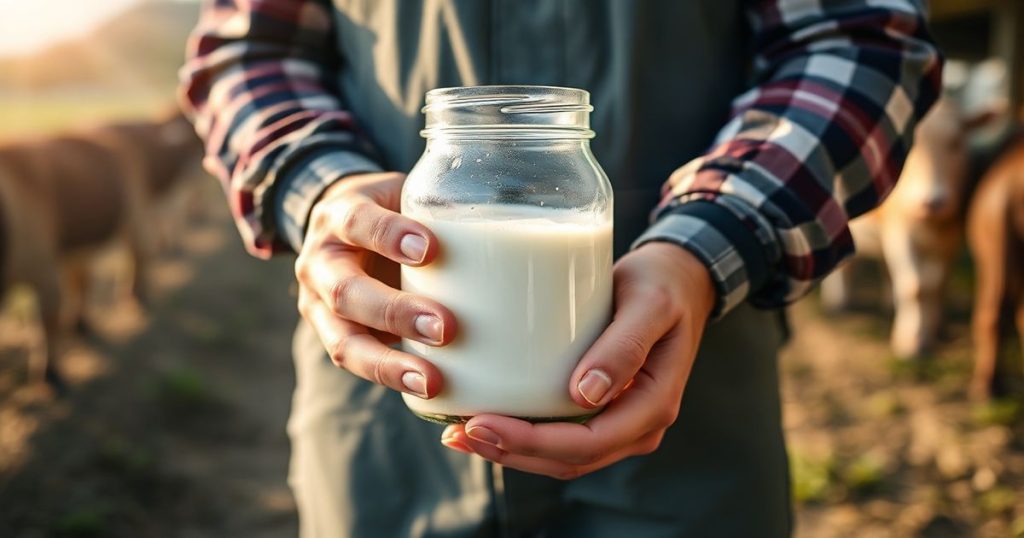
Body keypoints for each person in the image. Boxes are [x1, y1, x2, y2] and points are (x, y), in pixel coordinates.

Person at [180, 1, 941, 536]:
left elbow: (859, 36)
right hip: (381, 411)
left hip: (688, 396)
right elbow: (250, 49)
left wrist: (711, 239)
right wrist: (321, 188)